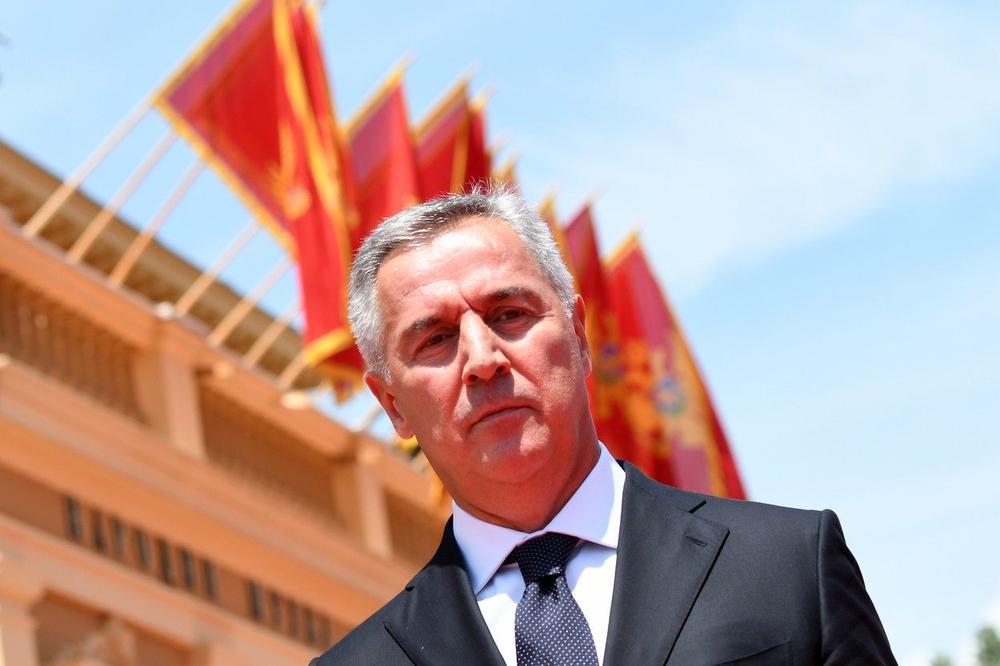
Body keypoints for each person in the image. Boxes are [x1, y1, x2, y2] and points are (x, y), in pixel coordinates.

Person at [311, 189, 896, 665]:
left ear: (579, 336)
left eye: (509, 314)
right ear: (392, 404)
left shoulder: (787, 565)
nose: (482, 359)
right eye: (436, 339)